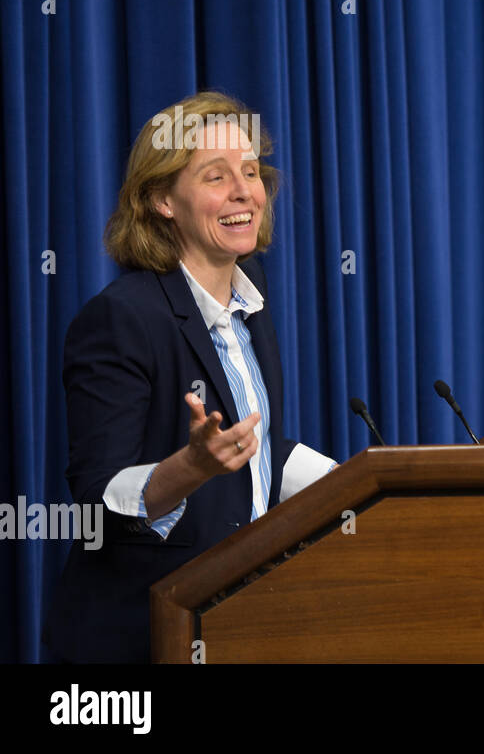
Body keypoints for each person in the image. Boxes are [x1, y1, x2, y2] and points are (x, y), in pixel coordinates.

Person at [45, 91, 336, 663]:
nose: (243, 192)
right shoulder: (121, 318)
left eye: (250, 172)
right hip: (138, 645)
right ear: (161, 200)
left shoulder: (251, 299)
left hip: (235, 629)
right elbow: (95, 508)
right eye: (215, 175)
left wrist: (363, 481)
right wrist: (189, 468)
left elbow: (249, 450)